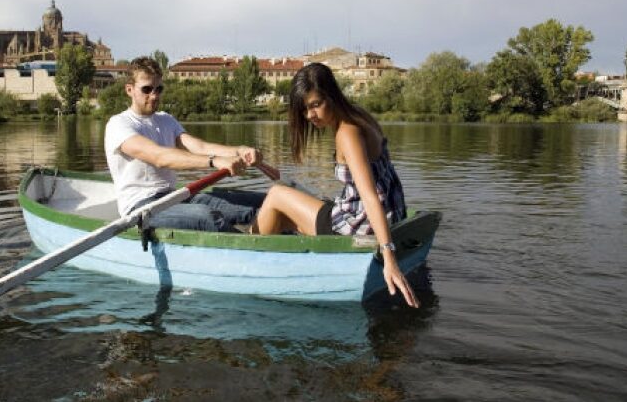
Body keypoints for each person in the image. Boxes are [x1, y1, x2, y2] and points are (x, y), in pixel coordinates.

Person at [254, 62, 419, 307]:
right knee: (288, 212)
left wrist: (388, 254)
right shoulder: (360, 115)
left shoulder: (346, 133)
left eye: (315, 105)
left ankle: (252, 260)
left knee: (277, 194)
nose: (310, 115)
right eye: (304, 109)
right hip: (390, 213)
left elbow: (370, 195)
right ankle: (278, 250)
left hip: (362, 225)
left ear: (331, 95)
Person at [104, 56, 265, 232]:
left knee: (254, 208)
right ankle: (251, 251)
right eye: (147, 89)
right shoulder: (119, 124)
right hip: (141, 207)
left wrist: (239, 151)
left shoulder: (166, 119)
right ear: (129, 90)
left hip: (175, 196)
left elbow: (200, 147)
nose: (154, 95)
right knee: (208, 217)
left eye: (159, 89)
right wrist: (214, 161)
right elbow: (159, 157)